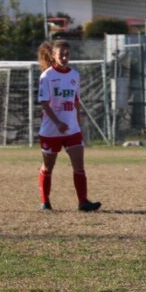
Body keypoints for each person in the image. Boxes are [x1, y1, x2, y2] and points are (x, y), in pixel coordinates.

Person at [36, 40, 101, 213]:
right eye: (61, 54)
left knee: (79, 166)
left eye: (67, 54)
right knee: (48, 167)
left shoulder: (74, 75)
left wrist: (77, 126)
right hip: (51, 130)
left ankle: (83, 202)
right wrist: (57, 123)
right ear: (53, 56)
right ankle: (45, 201)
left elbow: (76, 102)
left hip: (72, 130)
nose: (65, 57)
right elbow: (44, 103)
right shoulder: (47, 76)